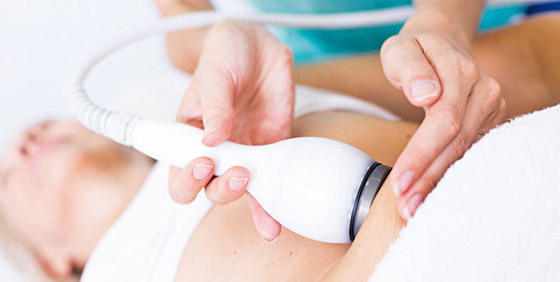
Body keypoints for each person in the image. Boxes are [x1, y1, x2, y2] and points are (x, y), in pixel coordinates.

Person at [1, 13, 557, 282]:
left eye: (43, 123)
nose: (23, 141)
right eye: (4, 180)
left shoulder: (247, 100)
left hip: (512, 196)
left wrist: (441, 31)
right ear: (52, 264)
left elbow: (530, 63)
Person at [155, 0, 512, 241]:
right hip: (307, 59)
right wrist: (230, 39)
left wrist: (443, 24)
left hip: (471, 27)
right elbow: (183, 23)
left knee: (512, 71)